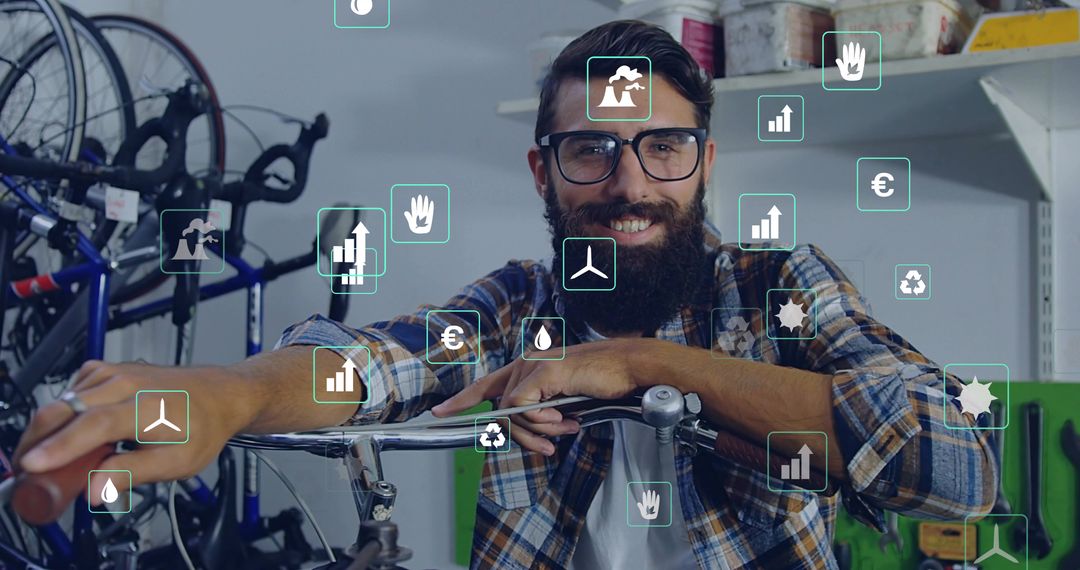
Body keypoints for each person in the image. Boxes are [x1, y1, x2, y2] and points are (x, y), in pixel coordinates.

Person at [15, 20, 996, 570]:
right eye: (590, 150)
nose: (630, 182)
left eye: (662, 145)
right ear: (543, 170)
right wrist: (225, 399)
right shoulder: (517, 308)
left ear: (703, 162)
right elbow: (375, 364)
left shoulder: (783, 286)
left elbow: (958, 465)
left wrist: (642, 364)